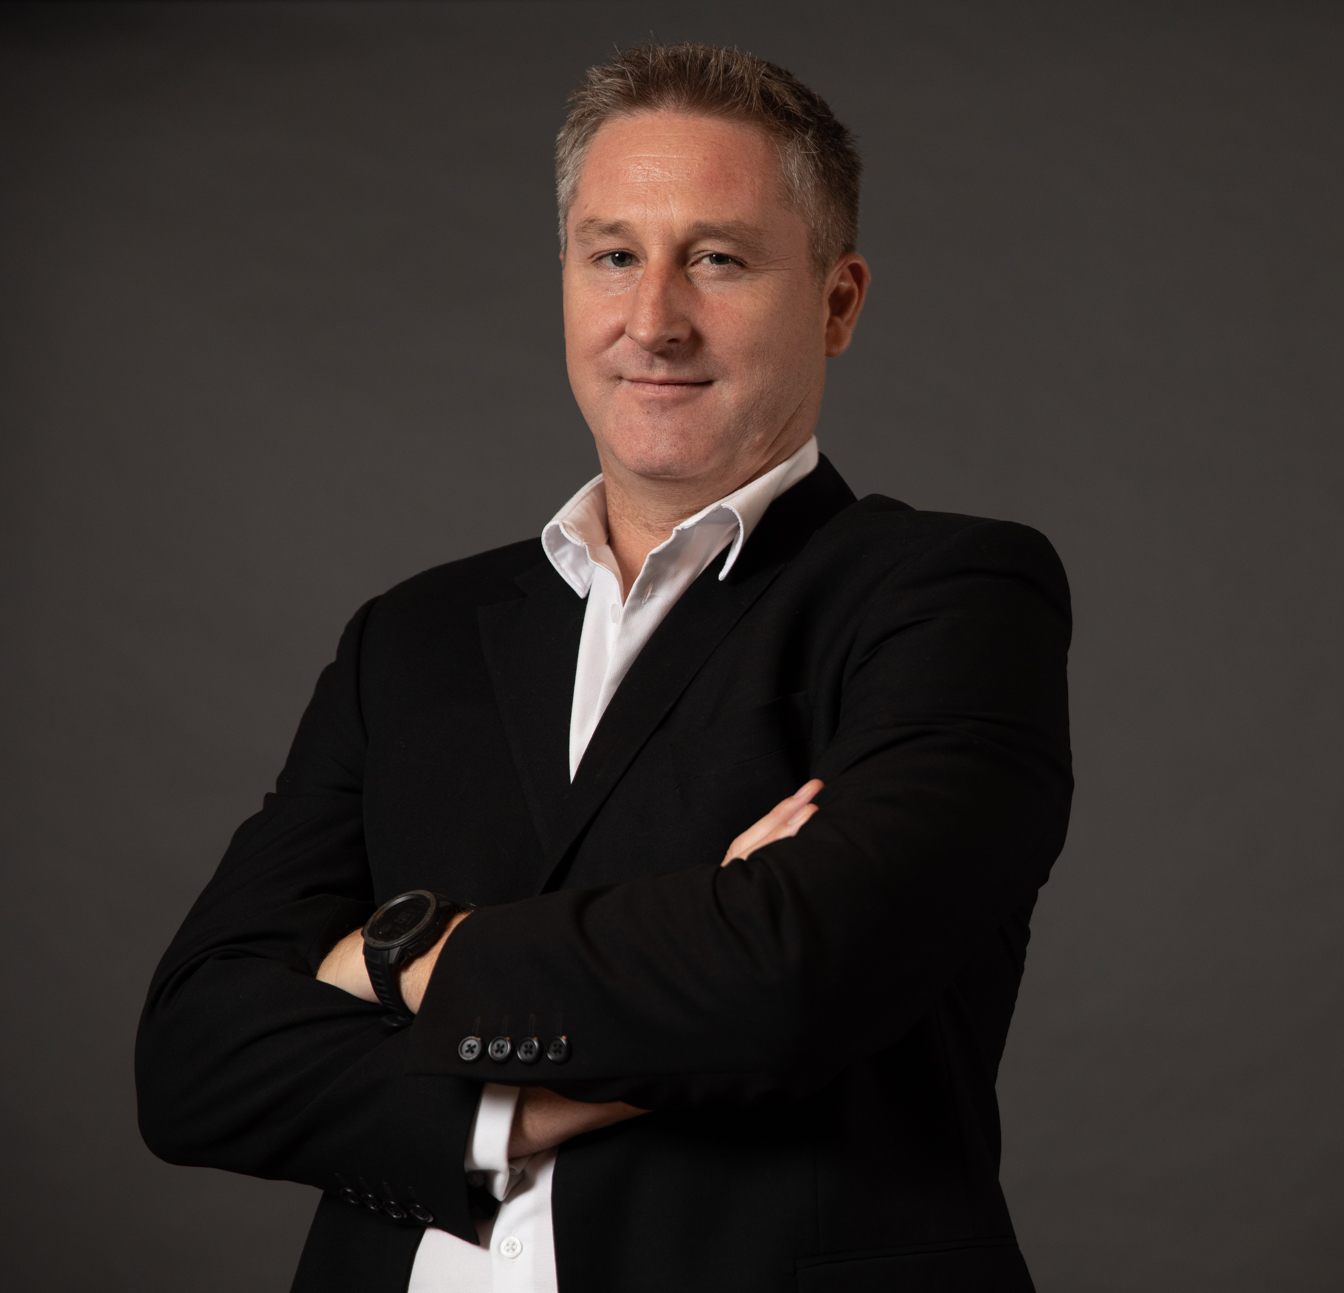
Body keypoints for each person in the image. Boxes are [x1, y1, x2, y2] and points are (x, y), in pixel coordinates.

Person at [135, 42, 1071, 1293]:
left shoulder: (948, 596)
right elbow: (192, 1058)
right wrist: (521, 1105)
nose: (653, 321)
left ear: (837, 302)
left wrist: (394, 958)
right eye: (613, 255)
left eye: (718, 259)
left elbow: (795, 978)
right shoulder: (411, 636)